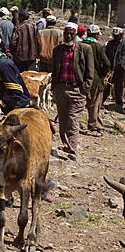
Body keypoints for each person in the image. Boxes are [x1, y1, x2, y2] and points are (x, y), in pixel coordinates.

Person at [51, 22, 94, 160]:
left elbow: (90, 71)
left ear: (76, 34)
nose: (68, 36)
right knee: (63, 119)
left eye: (71, 33)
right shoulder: (58, 50)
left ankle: (73, 149)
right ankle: (66, 144)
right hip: (61, 88)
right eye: (66, 33)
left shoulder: (85, 49)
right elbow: (54, 70)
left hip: (77, 89)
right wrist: (55, 87)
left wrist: (84, 89)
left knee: (73, 120)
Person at [82, 25, 110, 135]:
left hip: (80, 79)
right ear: (95, 35)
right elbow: (106, 63)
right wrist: (103, 74)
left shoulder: (79, 44)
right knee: (94, 103)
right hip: (95, 79)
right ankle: (94, 124)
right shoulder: (98, 46)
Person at [112, 28, 125, 113]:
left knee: (120, 86)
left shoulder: (124, 44)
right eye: (114, 36)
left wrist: (121, 65)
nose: (115, 37)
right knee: (113, 85)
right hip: (112, 68)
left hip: (122, 69)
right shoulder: (110, 44)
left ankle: (119, 102)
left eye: (117, 36)